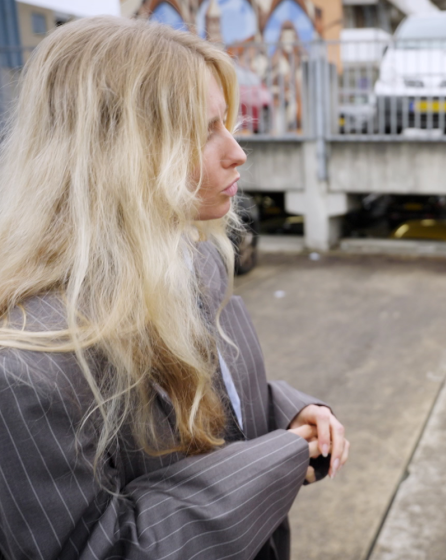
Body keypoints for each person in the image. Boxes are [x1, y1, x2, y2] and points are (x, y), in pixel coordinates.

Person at [0, 16, 348, 560]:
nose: (237, 152)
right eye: (205, 130)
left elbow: (212, 392)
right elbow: (103, 548)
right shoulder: (27, 372)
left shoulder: (197, 258)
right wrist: (280, 458)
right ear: (118, 152)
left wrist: (284, 411)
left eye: (228, 123)